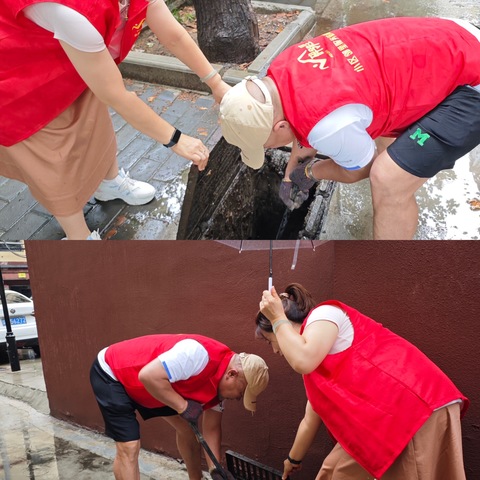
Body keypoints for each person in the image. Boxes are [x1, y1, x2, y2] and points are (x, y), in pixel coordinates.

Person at [219, 17, 480, 239]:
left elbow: (361, 168)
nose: (271, 149)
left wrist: (309, 173)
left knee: (388, 178)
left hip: (472, 80)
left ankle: (394, 277)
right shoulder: (284, 66)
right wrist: (292, 172)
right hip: (454, 37)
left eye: (267, 144)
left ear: (280, 126)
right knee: (386, 141)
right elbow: (304, 120)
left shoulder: (328, 126)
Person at [0, 0, 230, 239]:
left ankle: (108, 183)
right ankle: (79, 237)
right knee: (54, 160)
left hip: (65, 59)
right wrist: (176, 140)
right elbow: (116, 95)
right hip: (20, 77)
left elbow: (173, 36)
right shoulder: (74, 13)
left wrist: (216, 83)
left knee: (94, 121)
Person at [256, 283, 469, 480]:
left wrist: (276, 319)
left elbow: (302, 360)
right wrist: (293, 460)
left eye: (270, 341)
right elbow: (310, 420)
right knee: (332, 471)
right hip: (393, 420)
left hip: (415, 409)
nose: (276, 350)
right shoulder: (315, 363)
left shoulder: (323, 315)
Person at [90, 333, 269, 480]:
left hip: (156, 387)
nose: (238, 398)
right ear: (232, 374)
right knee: (129, 446)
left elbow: (211, 428)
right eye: (241, 392)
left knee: (187, 430)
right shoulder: (197, 355)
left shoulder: (222, 386)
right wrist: (183, 405)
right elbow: (148, 376)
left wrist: (215, 469)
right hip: (114, 373)